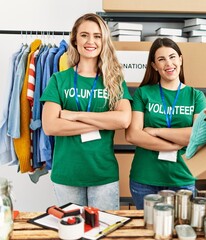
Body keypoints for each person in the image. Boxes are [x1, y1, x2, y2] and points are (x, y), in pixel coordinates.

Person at [40, 13, 132, 210]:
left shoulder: (114, 81)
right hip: (66, 174)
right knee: (72, 233)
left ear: (104, 41)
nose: (91, 41)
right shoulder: (59, 79)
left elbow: (124, 120)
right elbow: (50, 125)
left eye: (97, 36)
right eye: (84, 35)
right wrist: (104, 120)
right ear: (75, 39)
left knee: (103, 232)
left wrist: (74, 115)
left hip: (103, 174)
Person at [125, 37, 206, 209]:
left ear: (180, 59)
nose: (168, 63)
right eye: (161, 59)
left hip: (182, 177)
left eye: (172, 57)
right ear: (154, 65)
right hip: (145, 179)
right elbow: (133, 134)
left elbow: (197, 136)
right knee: (147, 232)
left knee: (180, 231)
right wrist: (174, 144)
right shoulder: (143, 93)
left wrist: (156, 131)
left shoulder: (196, 96)